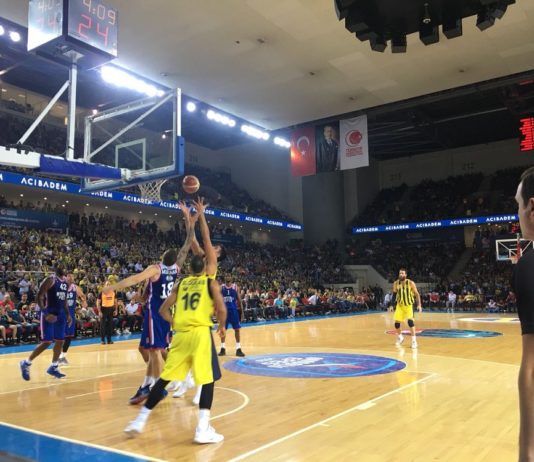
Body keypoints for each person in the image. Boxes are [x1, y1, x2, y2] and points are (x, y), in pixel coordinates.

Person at [124, 235, 227, 444]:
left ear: (190, 269)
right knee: (208, 380)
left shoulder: (181, 283)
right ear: (204, 267)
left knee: (164, 379)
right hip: (200, 334)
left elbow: (163, 310)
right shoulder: (210, 282)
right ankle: (202, 429)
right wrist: (222, 326)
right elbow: (222, 309)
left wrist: (175, 323)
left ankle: (139, 421)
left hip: (180, 335)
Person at [104, 204, 197, 405]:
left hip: (156, 314)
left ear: (163, 257)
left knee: (155, 351)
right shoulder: (177, 267)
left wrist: (112, 287)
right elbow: (187, 244)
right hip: (164, 313)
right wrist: (190, 222)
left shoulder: (156, 269)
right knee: (146, 347)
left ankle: (158, 386)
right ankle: (148, 384)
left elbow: (134, 279)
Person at [513, 166, 534, 461]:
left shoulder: (529, 266)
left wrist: (527, 451)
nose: (517, 213)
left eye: (518, 205)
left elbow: (532, 365)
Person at [19, 268, 72, 380]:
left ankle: (54, 366)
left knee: (60, 341)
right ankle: (26, 363)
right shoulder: (50, 280)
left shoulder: (66, 284)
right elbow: (39, 296)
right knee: (47, 342)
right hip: (49, 314)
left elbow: (64, 301)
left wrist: (68, 315)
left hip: (60, 315)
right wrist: (46, 313)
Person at [390, 268, 422, 349]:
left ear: (405, 275)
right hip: (400, 305)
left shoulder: (410, 283)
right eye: (400, 273)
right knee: (396, 324)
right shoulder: (396, 283)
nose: (401, 274)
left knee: (410, 322)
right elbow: (394, 295)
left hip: (409, 305)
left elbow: (417, 294)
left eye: (402, 273)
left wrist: (419, 305)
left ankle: (414, 341)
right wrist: (392, 305)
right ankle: (400, 337)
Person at [59, 271, 87, 365]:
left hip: (70, 315)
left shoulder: (75, 287)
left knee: (69, 336)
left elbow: (83, 296)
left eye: (72, 276)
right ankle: (58, 356)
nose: (70, 278)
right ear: (65, 277)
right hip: (61, 314)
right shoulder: (61, 287)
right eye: (69, 276)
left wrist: (83, 305)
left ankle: (62, 356)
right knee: (60, 337)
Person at [219, 275, 245, 357]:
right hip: (224, 312)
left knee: (237, 330)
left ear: (231, 278)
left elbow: (239, 300)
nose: (227, 277)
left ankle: (238, 348)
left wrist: (242, 313)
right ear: (225, 278)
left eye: (229, 276)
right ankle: (222, 348)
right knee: (223, 330)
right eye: (226, 276)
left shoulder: (235, 287)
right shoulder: (221, 287)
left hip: (234, 312)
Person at [98, 281, 117, 345]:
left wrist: (116, 310)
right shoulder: (101, 292)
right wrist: (99, 311)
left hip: (111, 309)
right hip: (103, 309)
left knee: (110, 325)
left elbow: (115, 302)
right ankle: (102, 340)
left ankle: (109, 339)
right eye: (107, 284)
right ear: (104, 286)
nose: (108, 285)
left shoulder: (113, 292)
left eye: (109, 284)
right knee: (102, 325)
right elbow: (98, 303)